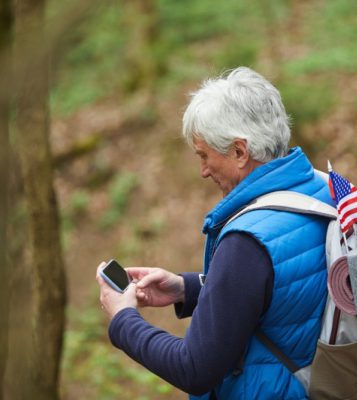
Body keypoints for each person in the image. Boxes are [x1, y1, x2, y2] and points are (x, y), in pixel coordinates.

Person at [96, 66, 335, 399]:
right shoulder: (322, 190)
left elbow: (194, 369)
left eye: (205, 155)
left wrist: (123, 318)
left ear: (239, 151)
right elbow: (283, 286)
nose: (203, 171)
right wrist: (188, 288)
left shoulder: (247, 241)